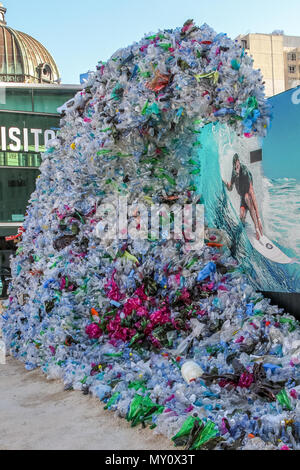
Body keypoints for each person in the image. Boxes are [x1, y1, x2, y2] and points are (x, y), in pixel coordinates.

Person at [223, 154, 263, 240]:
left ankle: (256, 228)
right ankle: (243, 221)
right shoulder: (234, 173)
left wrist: (258, 219)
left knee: (247, 198)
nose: (236, 169)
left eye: (237, 166)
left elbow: (253, 197)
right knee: (241, 216)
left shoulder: (245, 173)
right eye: (234, 167)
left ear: (239, 163)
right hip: (243, 199)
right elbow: (230, 188)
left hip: (249, 198)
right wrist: (225, 183)